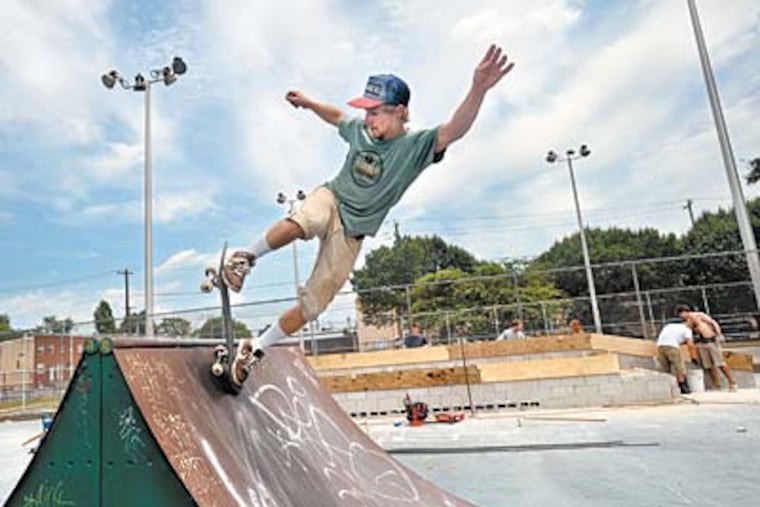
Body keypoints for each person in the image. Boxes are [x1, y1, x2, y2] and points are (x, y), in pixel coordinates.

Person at [221, 45, 515, 386]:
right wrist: (308, 102)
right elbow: (336, 117)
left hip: (352, 233)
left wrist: (478, 88)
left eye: (375, 112)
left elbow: (454, 130)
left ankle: (255, 348)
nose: (368, 119)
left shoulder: (417, 146)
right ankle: (244, 258)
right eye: (366, 111)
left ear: (400, 112)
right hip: (332, 198)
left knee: (314, 305)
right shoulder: (360, 130)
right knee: (306, 219)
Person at [675, 303, 738, 391]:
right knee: (709, 365)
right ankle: (717, 384)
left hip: (711, 341)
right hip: (701, 342)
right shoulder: (688, 322)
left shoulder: (698, 315)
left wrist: (719, 334)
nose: (681, 317)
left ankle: (732, 382)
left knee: (720, 363)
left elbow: (712, 322)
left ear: (684, 312)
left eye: (680, 315)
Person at [656, 321, 698, 394]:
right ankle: (683, 387)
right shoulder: (687, 330)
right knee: (679, 367)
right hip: (672, 346)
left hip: (660, 346)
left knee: (664, 368)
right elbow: (690, 345)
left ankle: (665, 387)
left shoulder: (670, 325)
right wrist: (694, 357)